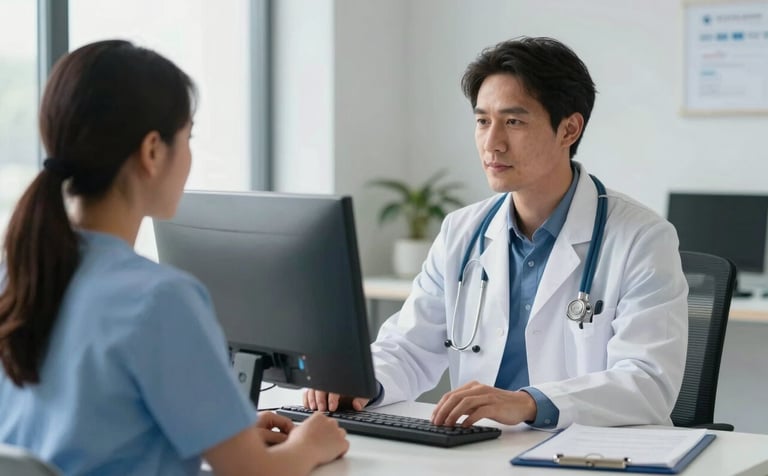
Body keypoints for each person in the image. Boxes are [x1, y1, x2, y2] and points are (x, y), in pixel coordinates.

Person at [0, 40, 347, 476]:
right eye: (188, 137)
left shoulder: (17, 277)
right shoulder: (160, 299)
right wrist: (311, 444)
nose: (189, 155)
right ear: (152, 151)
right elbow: (252, 473)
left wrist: (224, 435)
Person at [304, 36, 688, 430]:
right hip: (482, 448)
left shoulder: (642, 238)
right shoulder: (462, 231)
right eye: (483, 121)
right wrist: (360, 384)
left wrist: (529, 403)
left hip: (590, 450)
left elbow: (647, 381)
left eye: (514, 122)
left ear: (569, 129)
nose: (492, 143)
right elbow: (409, 347)